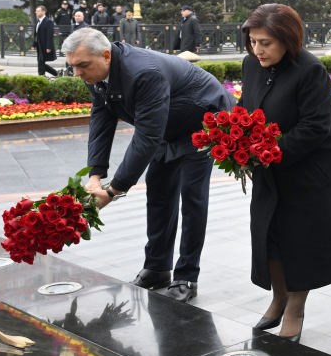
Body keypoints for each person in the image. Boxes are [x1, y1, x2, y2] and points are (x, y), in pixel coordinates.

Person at [65, 28, 236, 302]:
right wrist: (95, 175)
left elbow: (146, 138)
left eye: (82, 65)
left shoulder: (143, 73)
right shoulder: (94, 73)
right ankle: (156, 269)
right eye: (72, 66)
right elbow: (101, 118)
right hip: (168, 124)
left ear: (106, 55)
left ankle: (186, 276)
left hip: (203, 121)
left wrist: (114, 191)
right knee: (158, 193)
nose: (77, 73)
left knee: (192, 198)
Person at [239, 4, 331, 343]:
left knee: (299, 240)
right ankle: (279, 298)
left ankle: (295, 309)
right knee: (269, 234)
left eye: (265, 43)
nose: (257, 50)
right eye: (253, 42)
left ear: (288, 40)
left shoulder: (310, 70)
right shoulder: (251, 64)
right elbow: (245, 109)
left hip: (310, 168)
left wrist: (265, 153)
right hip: (269, 164)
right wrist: (237, 143)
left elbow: (314, 128)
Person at [33, 5, 58, 77]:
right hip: (39, 45)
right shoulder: (38, 21)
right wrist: (33, 44)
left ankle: (41, 76)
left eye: (38, 11)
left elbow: (50, 35)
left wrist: (49, 47)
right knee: (41, 62)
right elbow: (36, 34)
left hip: (44, 45)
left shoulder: (48, 22)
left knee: (41, 61)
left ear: (43, 12)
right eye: (36, 11)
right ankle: (55, 73)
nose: (36, 12)